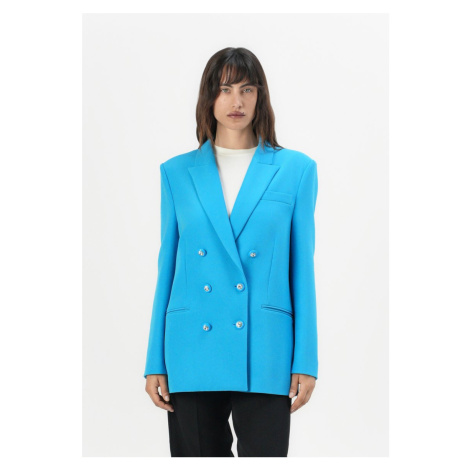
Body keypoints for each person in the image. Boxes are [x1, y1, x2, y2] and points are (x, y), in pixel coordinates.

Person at [144, 47, 319, 457]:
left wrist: (306, 359)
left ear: (260, 96)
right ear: (209, 97)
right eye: (224, 90)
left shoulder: (296, 170)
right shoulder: (176, 172)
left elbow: (301, 270)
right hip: (191, 344)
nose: (236, 101)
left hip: (266, 346)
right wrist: (155, 360)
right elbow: (167, 269)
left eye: (246, 89)